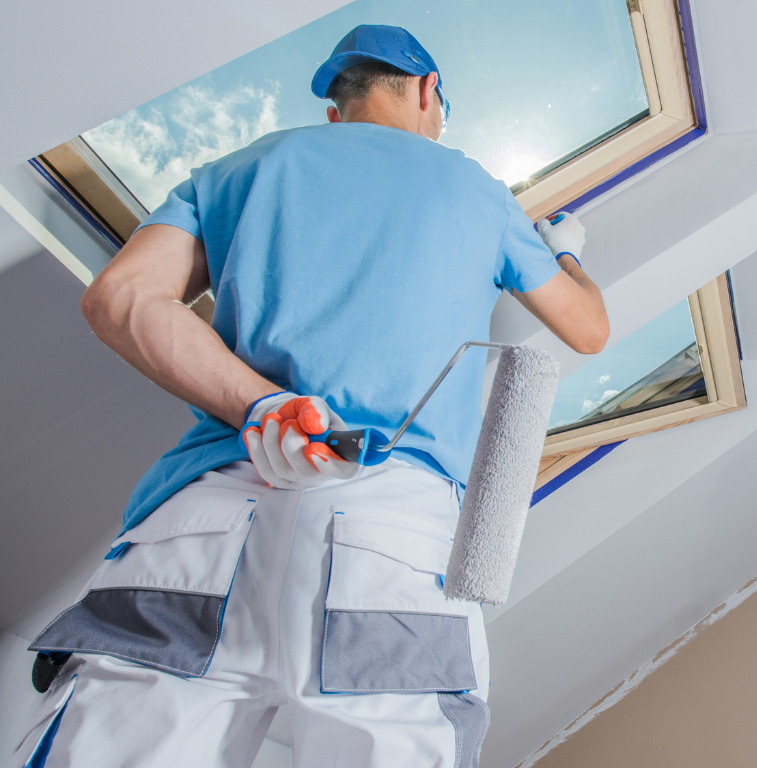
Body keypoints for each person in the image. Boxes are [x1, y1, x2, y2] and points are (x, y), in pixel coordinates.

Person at [10, 24, 608, 768]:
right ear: (427, 92)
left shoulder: (235, 170)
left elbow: (120, 300)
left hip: (203, 526)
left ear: (336, 109)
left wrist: (263, 404)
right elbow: (588, 329)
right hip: (390, 537)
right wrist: (567, 250)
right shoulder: (475, 191)